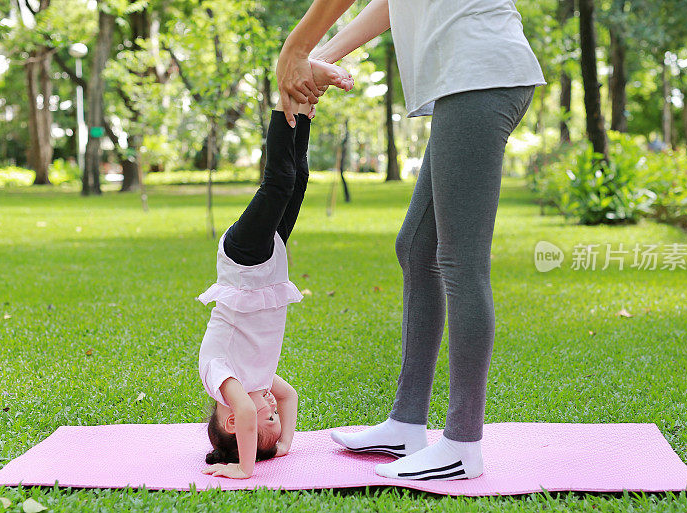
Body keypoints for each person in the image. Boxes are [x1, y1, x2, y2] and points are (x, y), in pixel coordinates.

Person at [277, 0, 546, 480]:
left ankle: (463, 444)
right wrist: (323, 60)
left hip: (480, 73)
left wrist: (294, 50)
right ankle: (406, 423)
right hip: (469, 76)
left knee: (461, 262)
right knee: (416, 249)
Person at [198, 60, 354, 479]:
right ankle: (303, 104)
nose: (270, 409)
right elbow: (290, 396)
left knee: (278, 183)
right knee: (298, 179)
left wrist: (244, 469)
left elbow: (249, 410)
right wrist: (285, 441)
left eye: (267, 421)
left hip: (243, 262)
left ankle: (287, 92)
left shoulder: (220, 379)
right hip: (267, 268)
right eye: (273, 418)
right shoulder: (261, 381)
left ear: (232, 421)